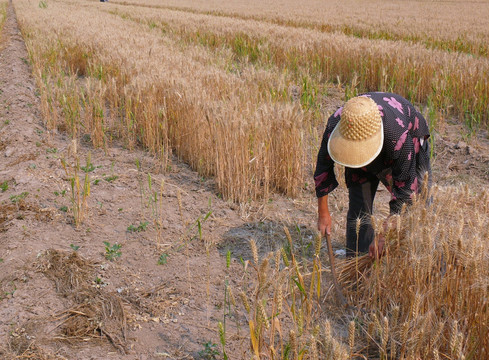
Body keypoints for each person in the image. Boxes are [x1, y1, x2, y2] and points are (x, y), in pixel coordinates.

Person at [314, 92, 432, 258]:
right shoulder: (338, 124)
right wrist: (323, 213)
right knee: (359, 210)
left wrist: (384, 235)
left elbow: (405, 191)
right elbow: (323, 169)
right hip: (364, 136)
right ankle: (356, 269)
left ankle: (416, 262)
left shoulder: (399, 138)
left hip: (402, 141)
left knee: (417, 206)